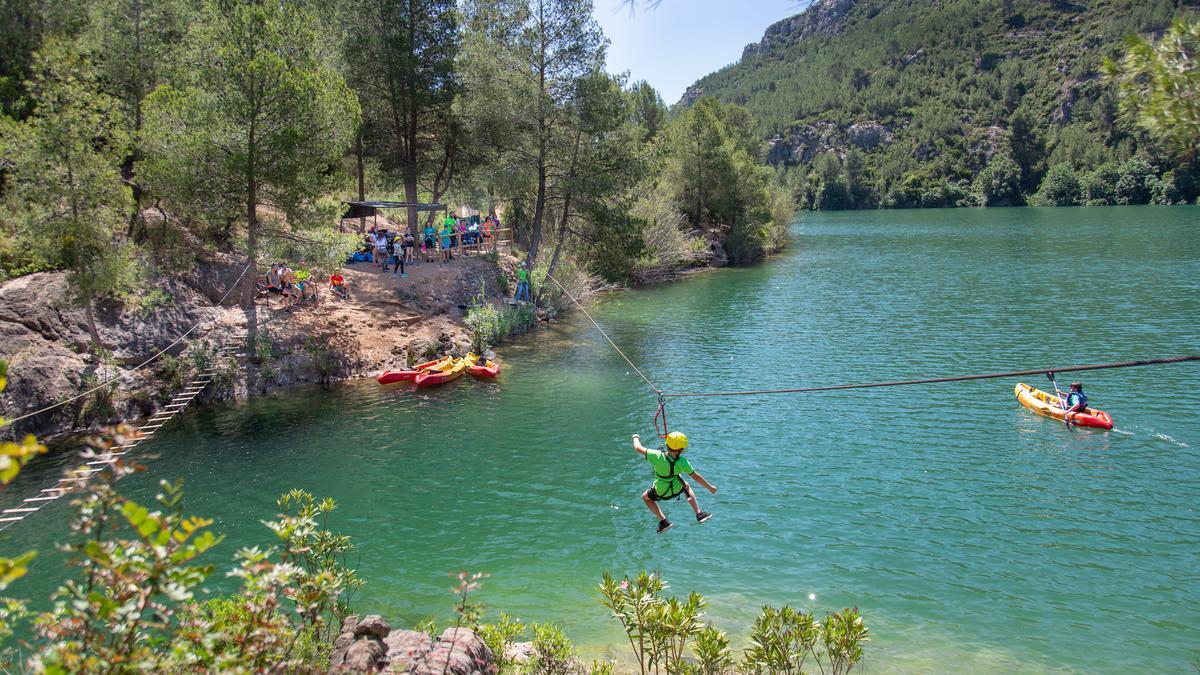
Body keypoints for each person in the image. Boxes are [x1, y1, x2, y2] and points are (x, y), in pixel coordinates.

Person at [633, 431, 715, 534]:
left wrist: (635, 437)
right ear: (680, 449)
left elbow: (637, 448)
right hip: (677, 488)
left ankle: (663, 521)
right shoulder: (683, 461)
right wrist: (709, 487)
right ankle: (699, 514)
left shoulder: (657, 455)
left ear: (667, 444)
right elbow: (696, 477)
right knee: (687, 486)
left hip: (661, 491)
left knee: (645, 497)